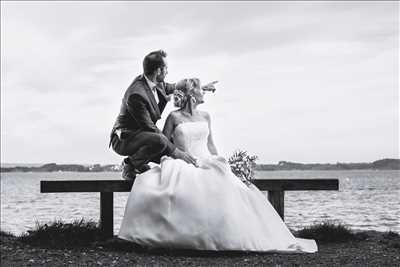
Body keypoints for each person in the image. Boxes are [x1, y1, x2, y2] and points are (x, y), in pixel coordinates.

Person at [118, 78, 318, 252]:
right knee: (180, 188)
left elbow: (211, 144)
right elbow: (164, 143)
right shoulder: (174, 117)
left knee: (230, 188)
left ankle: (231, 234)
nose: (204, 92)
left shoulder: (205, 116)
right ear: (191, 95)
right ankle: (187, 236)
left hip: (207, 160)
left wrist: (225, 164)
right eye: (200, 89)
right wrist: (175, 158)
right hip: (183, 162)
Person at [110, 50, 214, 179]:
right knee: (161, 141)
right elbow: (150, 128)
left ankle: (140, 163)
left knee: (168, 143)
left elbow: (177, 88)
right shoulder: (136, 94)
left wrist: (200, 88)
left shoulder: (156, 83)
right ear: (158, 71)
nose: (167, 72)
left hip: (143, 136)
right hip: (125, 139)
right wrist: (178, 153)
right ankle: (129, 165)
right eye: (166, 68)